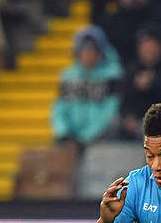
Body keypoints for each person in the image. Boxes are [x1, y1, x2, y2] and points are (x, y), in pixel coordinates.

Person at [51, 25, 124, 153]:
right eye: (84, 50)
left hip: (101, 140)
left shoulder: (113, 76)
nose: (88, 54)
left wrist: (86, 137)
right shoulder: (68, 76)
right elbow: (59, 107)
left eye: (92, 50)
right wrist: (64, 133)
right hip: (70, 142)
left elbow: (110, 110)